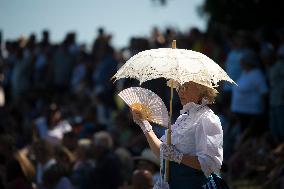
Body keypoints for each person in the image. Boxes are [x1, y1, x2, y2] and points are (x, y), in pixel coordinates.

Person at [132, 81, 226, 189]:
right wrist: (144, 124)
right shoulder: (183, 119)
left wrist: (179, 157)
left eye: (186, 87)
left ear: (201, 89)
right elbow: (162, 154)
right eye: (179, 87)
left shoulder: (207, 119)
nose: (181, 91)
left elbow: (210, 164)